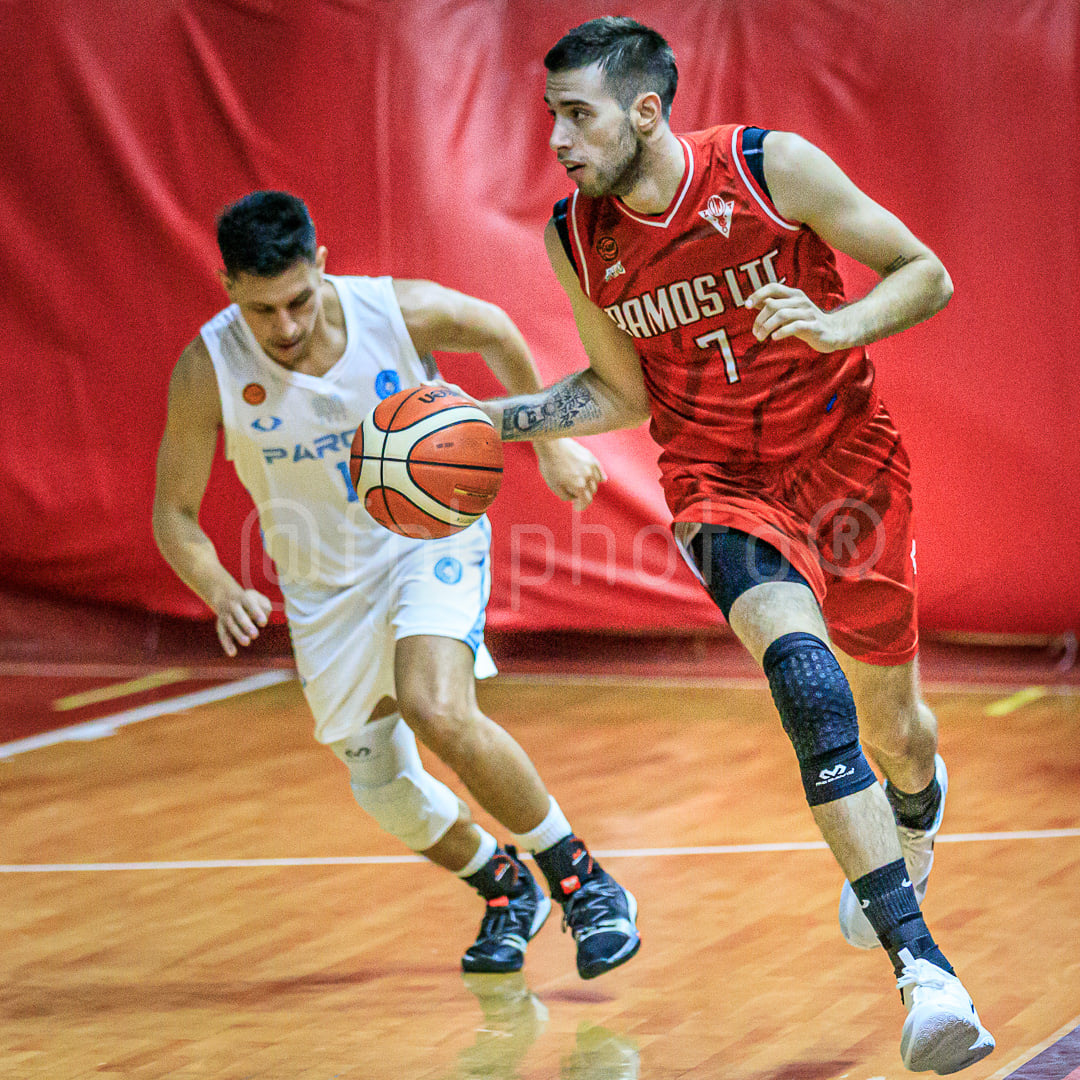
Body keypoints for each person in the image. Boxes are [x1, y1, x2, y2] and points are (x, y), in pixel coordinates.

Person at [474, 17, 993, 1074]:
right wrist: (487, 424)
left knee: (895, 727)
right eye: (551, 117)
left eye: (578, 115)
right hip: (719, 484)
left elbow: (923, 273)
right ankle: (925, 975)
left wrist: (842, 325)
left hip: (849, 470)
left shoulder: (767, 168)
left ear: (646, 111)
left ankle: (916, 806)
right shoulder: (576, 235)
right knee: (805, 682)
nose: (560, 141)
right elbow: (618, 392)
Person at [152, 190, 641, 980]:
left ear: (321, 265)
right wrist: (218, 587)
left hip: (426, 540)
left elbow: (494, 328)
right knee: (382, 787)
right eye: (261, 310)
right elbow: (173, 514)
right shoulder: (207, 370)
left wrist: (547, 444)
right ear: (227, 286)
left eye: (298, 300)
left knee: (436, 705)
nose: (284, 326)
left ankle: (583, 882)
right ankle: (504, 886)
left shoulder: (396, 312)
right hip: (322, 588)